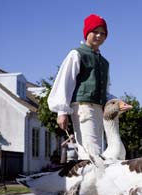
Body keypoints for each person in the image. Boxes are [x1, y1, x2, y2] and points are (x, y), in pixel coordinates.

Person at [48, 14, 113, 160]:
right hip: (83, 107)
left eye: (103, 33)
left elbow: (105, 89)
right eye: (95, 31)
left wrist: (114, 103)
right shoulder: (77, 54)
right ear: (87, 32)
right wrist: (61, 111)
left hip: (98, 109)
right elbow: (65, 81)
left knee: (96, 151)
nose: (99, 35)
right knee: (91, 152)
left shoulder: (104, 62)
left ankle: (90, 182)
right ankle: (90, 181)